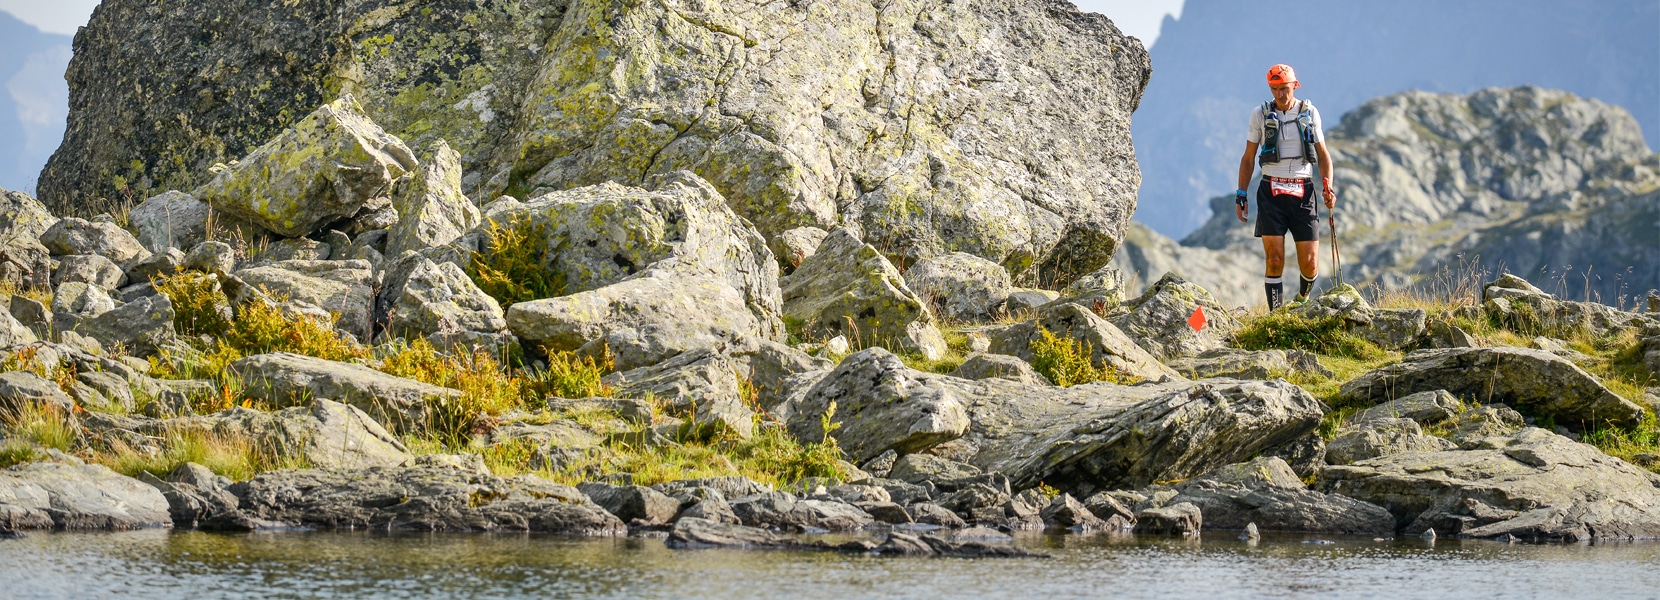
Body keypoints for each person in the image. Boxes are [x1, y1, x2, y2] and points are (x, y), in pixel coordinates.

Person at [1235, 63, 1336, 309]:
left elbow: (1323, 156)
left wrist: (1327, 186)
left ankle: (1301, 300)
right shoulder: (1259, 114)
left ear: (1295, 85)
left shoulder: (1310, 113)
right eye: (1275, 89)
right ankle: (1277, 316)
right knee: (1274, 259)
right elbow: (1248, 158)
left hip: (1303, 190)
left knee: (1311, 264)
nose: (1280, 94)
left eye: (1285, 88)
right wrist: (1241, 194)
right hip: (1271, 191)